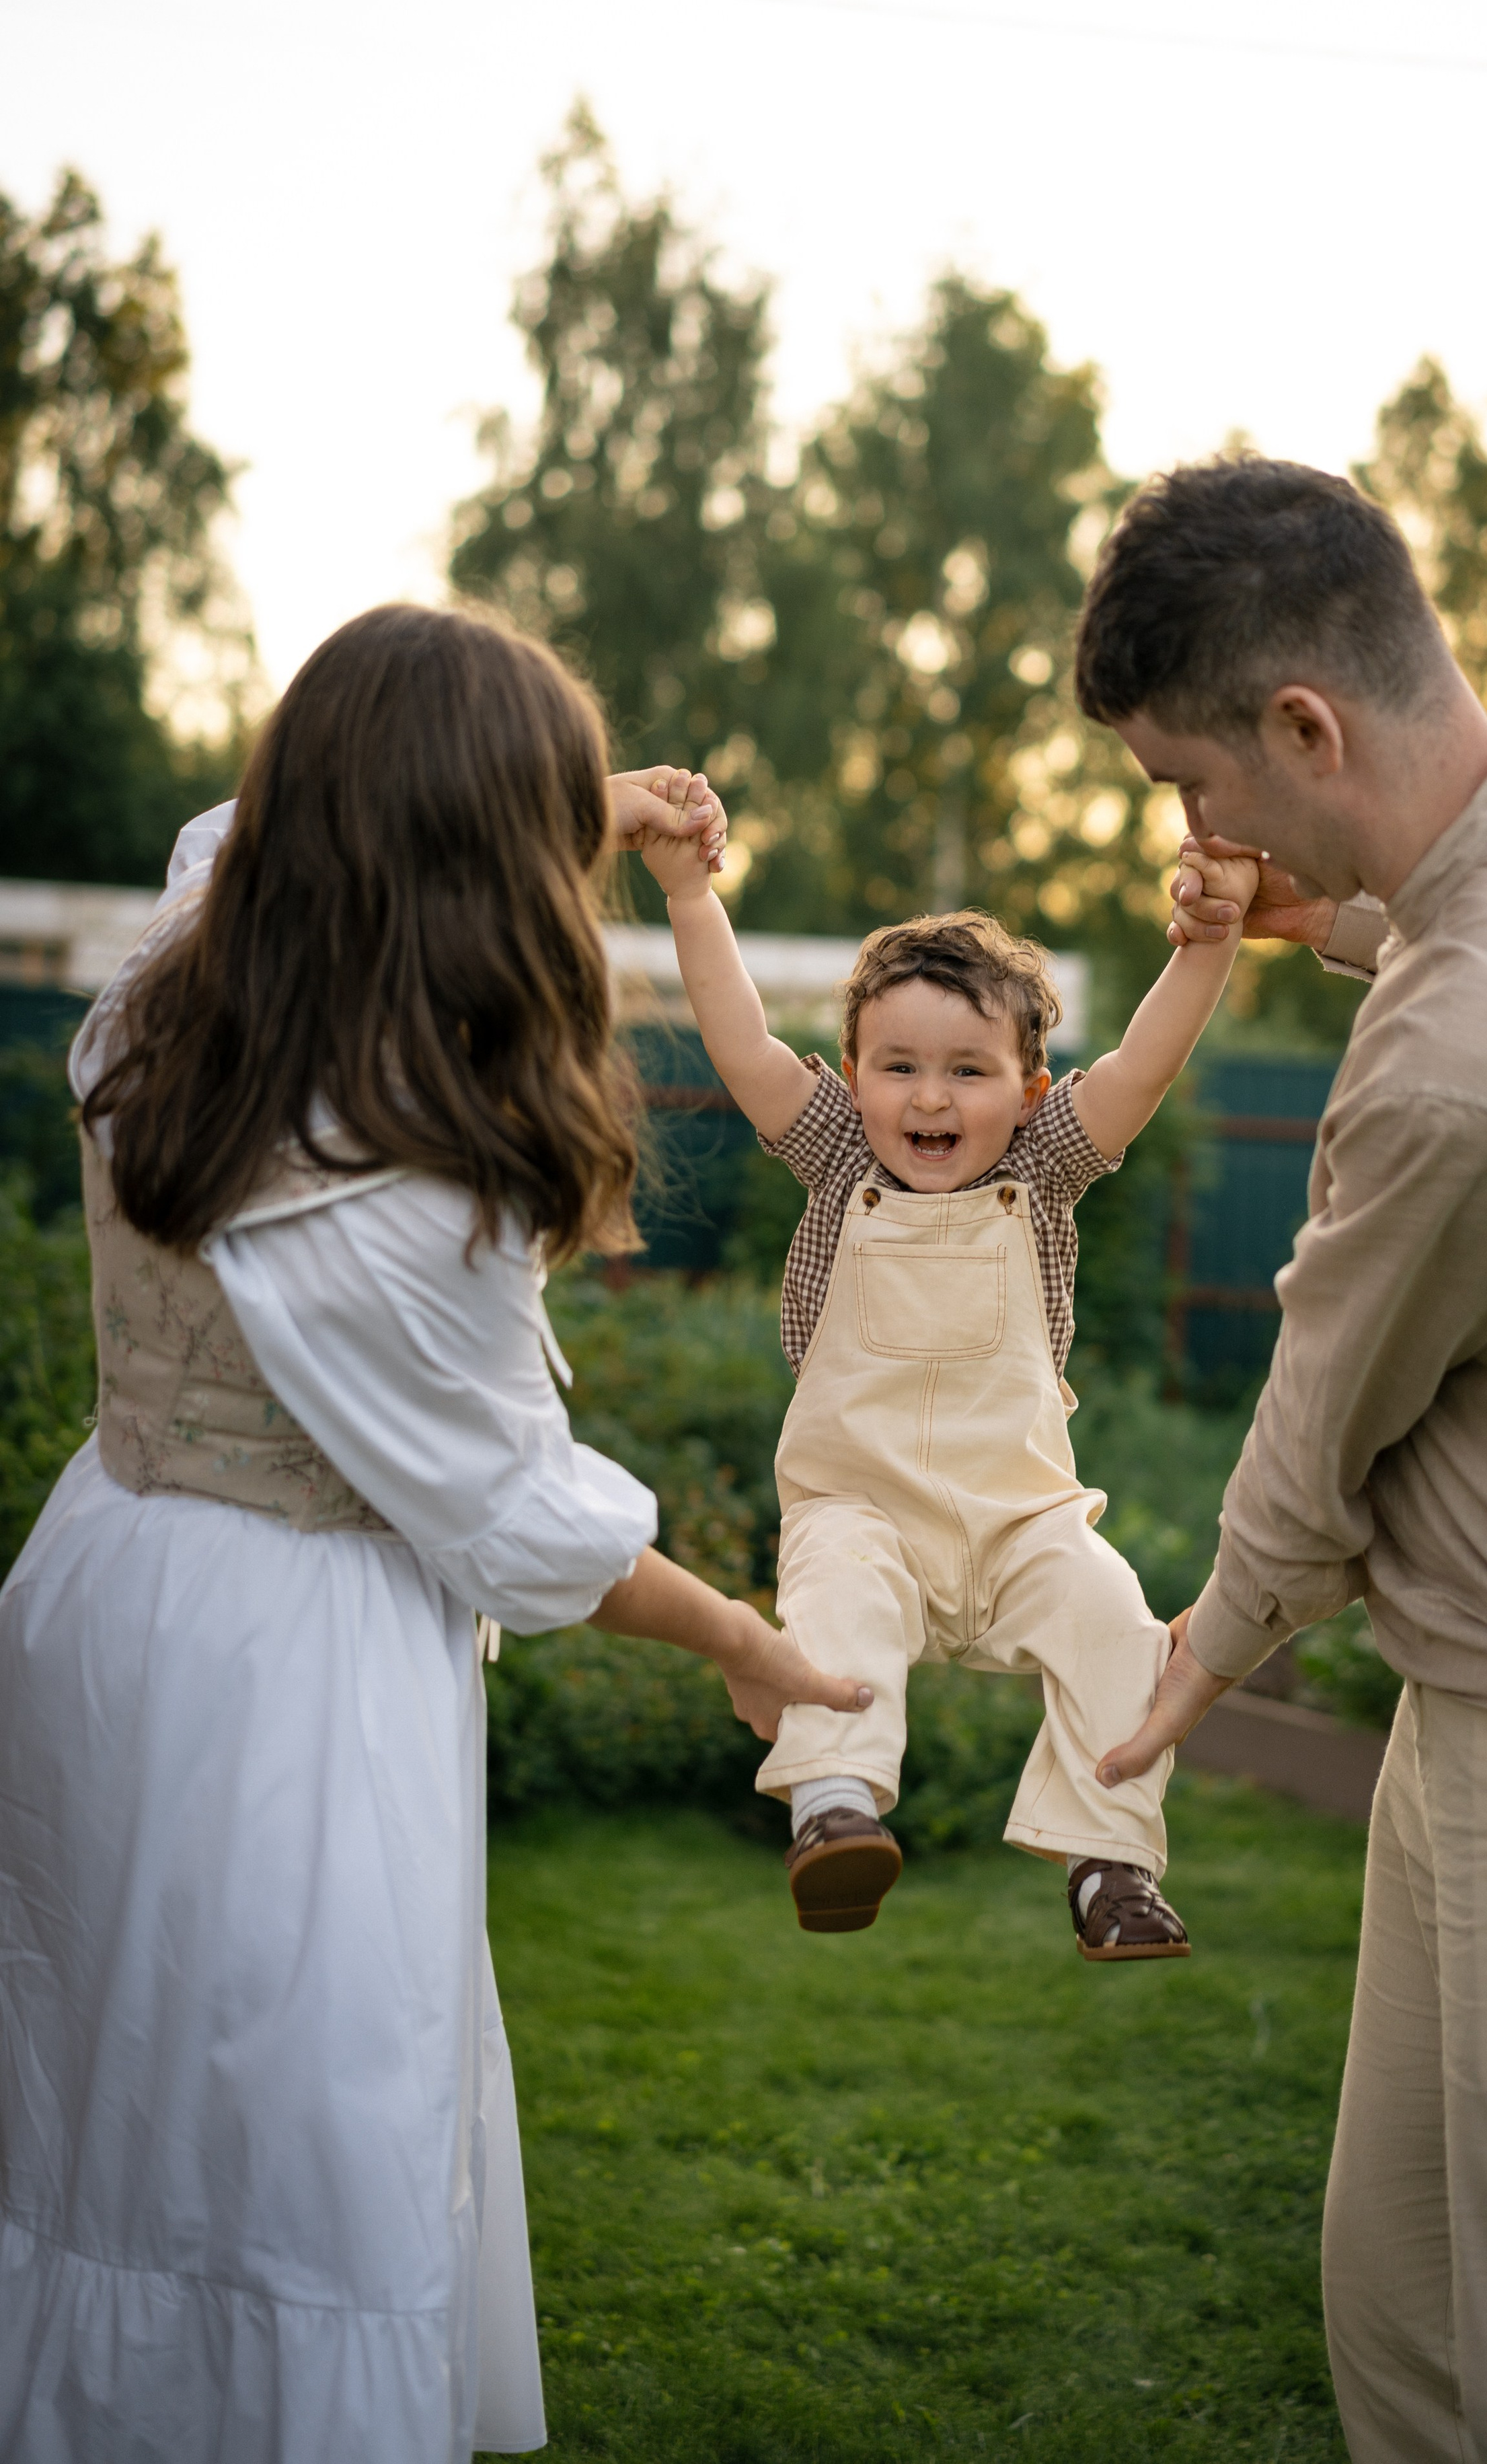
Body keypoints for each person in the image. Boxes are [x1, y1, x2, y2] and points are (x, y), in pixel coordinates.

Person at [0, 604, 870, 2464]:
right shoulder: (401, 1175)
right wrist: (751, 1643)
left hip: (107, 1582)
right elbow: (517, 1519)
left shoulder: (157, 999)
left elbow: (228, 843)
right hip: (286, 1676)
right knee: (294, 2124)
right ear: (480, 868)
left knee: (105, 2087)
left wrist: (586, 793)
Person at [1075, 455, 1487, 2464]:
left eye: (1195, 783)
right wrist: (1338, 915)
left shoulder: (1461, 1078)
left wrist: (1188, 1668)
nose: (1193, 834)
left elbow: (1327, 1407)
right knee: (1408, 2327)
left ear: (1304, 727)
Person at [638, 806, 1260, 1956]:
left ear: (1029, 1090)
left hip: (1019, 1517)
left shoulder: (1047, 1166)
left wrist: (1210, 940)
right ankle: (835, 1811)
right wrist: (690, 898)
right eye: (901, 1068)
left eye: (969, 1071)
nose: (930, 1099)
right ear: (855, 1078)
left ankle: (1109, 1867)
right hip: (860, 1508)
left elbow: (1142, 1063)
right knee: (836, 1609)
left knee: (1116, 1621)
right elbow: (743, 1046)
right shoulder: (834, 1155)